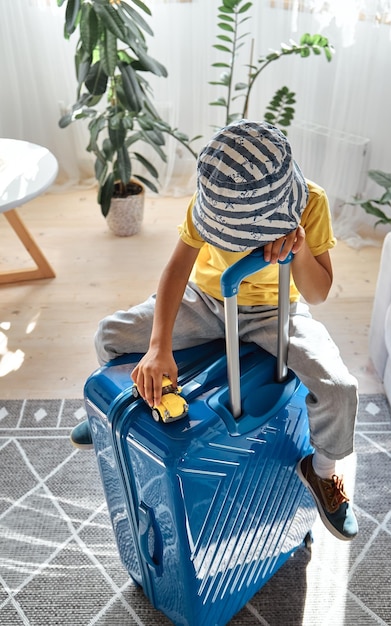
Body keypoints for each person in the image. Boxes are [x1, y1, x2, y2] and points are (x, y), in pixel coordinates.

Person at [71, 120, 359, 541]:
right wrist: (158, 347)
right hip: (206, 301)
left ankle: (323, 472)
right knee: (110, 334)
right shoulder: (209, 200)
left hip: (276, 309)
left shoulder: (311, 203)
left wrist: (297, 250)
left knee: (339, 388)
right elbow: (176, 270)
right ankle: (116, 415)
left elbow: (318, 293)